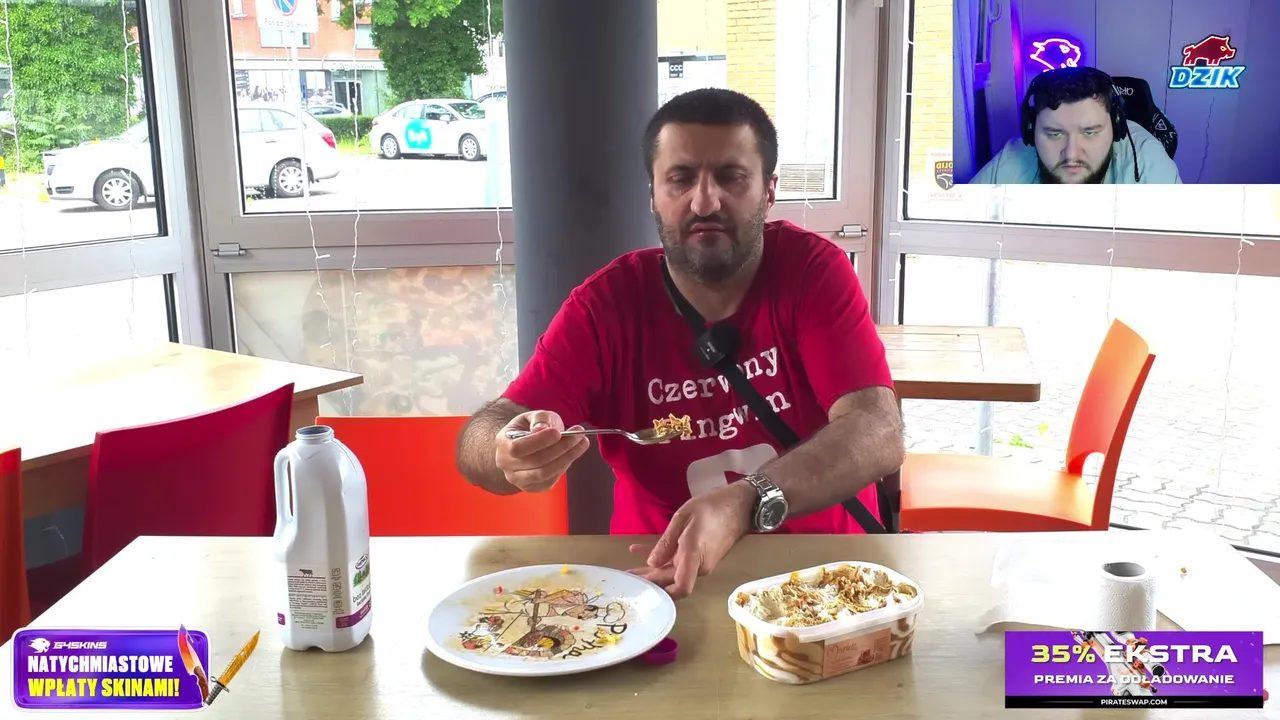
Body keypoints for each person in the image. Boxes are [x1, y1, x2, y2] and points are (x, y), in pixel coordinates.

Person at [454, 88, 904, 599]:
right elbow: (482, 440)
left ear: (769, 192)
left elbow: (878, 430)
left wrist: (747, 500)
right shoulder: (606, 305)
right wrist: (507, 449)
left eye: (731, 177)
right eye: (680, 178)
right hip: (661, 587)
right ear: (653, 194)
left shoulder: (811, 272)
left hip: (828, 577)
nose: (704, 201)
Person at [970, 66, 1181, 184]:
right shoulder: (1010, 161)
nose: (1071, 154)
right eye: (1054, 134)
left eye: (1090, 132)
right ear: (1031, 131)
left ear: (1116, 128)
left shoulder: (1148, 162)